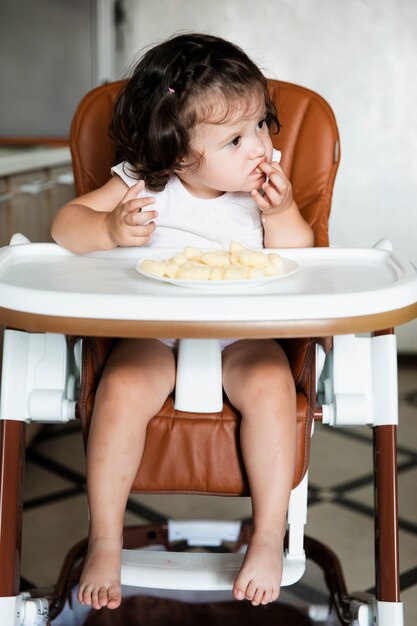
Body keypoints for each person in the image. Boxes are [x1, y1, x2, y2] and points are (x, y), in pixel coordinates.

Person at [51, 32, 314, 611]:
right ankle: (106, 540)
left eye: (263, 125)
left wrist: (287, 212)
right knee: (120, 389)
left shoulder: (261, 194)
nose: (260, 148)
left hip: (242, 334)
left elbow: (305, 261)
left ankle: (269, 535)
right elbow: (66, 225)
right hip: (155, 333)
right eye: (236, 138)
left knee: (272, 386)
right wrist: (111, 231)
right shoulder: (146, 183)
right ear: (176, 153)